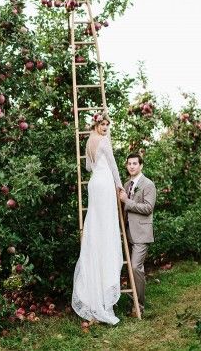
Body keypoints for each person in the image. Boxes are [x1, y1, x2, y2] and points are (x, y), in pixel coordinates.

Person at [71, 112, 124, 325]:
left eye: (107, 125)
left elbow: (88, 167)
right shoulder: (104, 141)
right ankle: (104, 296)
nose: (105, 128)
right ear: (96, 124)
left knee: (96, 225)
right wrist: (120, 186)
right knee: (107, 228)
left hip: (94, 182)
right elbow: (112, 166)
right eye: (103, 124)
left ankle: (93, 291)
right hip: (104, 184)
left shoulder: (88, 142)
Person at [119, 153, 156, 316]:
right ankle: (133, 302)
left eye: (135, 163)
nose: (132, 166)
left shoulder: (148, 184)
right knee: (130, 270)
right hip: (127, 233)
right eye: (129, 164)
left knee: (136, 267)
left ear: (141, 165)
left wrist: (127, 201)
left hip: (142, 233)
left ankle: (139, 306)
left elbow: (148, 208)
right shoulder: (126, 184)